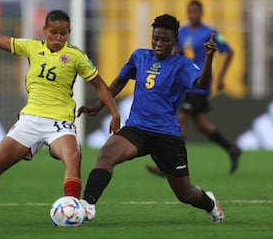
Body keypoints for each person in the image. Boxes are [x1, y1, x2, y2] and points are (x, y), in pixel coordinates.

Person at [0, 0, 120, 225]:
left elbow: (99, 84)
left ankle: (72, 211)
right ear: (44, 30)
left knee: (73, 156)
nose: (58, 38)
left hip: (60, 123)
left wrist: (115, 112)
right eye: (53, 32)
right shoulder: (31, 47)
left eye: (63, 34)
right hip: (30, 121)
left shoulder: (76, 56)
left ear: (69, 33)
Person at [78, 14, 225, 223]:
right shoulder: (139, 56)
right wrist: (99, 106)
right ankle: (87, 205)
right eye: (155, 38)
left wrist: (209, 57)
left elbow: (201, 84)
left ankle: (209, 203)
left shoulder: (182, 64)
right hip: (137, 128)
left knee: (185, 194)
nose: (158, 43)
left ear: (175, 42)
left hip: (166, 134)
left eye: (165, 40)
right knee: (107, 153)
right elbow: (120, 80)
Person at [147, 0, 241, 177]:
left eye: (195, 11)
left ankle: (171, 165)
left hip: (199, 83)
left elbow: (229, 52)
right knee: (201, 124)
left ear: (201, 12)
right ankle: (232, 148)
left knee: (180, 120)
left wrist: (221, 77)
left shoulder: (210, 33)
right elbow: (176, 52)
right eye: (190, 11)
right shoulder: (182, 32)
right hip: (185, 82)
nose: (192, 14)